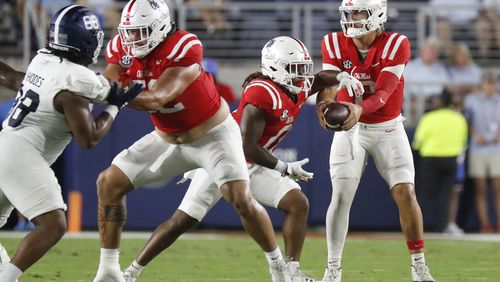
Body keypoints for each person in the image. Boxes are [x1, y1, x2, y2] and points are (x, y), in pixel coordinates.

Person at [118, 36, 347, 282]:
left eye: (303, 69)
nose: (302, 76)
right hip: (225, 157)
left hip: (255, 164)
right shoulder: (262, 92)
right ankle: (130, 273)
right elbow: (246, 146)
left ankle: (290, 274)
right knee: (182, 220)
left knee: (297, 203)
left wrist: (344, 77)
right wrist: (284, 167)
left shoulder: (296, 86)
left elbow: (322, 79)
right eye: (294, 70)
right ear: (274, 67)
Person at [93, 1, 281, 281]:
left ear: (159, 28)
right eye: (129, 32)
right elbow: (108, 80)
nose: (132, 39)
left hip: (213, 135)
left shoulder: (183, 46)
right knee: (108, 183)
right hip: (167, 138)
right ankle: (109, 270)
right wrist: (94, 87)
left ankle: (278, 267)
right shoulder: (122, 47)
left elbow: (158, 97)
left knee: (240, 198)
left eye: (140, 31)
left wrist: (106, 93)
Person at [0, 5, 142, 281]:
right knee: (53, 224)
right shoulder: (76, 81)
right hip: (21, 153)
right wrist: (115, 106)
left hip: (5, 143)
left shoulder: (43, 60)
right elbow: (89, 139)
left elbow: (17, 79)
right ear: (86, 42)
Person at [316, 0, 435, 281]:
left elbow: (383, 93)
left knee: (406, 193)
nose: (353, 18)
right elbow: (328, 86)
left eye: (359, 12)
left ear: (377, 15)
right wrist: (325, 105)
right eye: (350, 13)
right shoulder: (333, 42)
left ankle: (419, 267)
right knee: (341, 197)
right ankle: (332, 269)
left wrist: (359, 109)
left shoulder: (396, 43)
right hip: (349, 131)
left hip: (387, 127)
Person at [412, 90, 468, 233]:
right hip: (451, 159)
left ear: (440, 102)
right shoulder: (459, 118)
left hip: (430, 158)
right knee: (446, 195)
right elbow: (464, 142)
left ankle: (417, 228)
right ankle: (442, 228)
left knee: (425, 194)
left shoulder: (429, 118)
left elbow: (417, 142)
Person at [463, 72, 500, 233]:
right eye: (487, 83)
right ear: (482, 85)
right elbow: (466, 121)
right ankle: (485, 224)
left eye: (493, 83)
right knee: (481, 188)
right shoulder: (471, 100)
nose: (490, 87)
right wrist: (474, 134)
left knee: (498, 188)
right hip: (478, 148)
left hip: (496, 148)